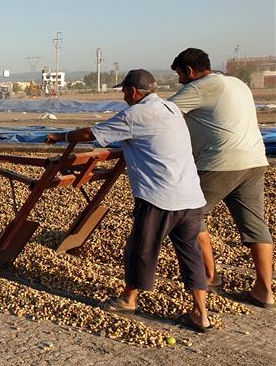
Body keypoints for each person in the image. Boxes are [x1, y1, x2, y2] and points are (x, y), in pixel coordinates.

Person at [46, 69, 212, 331]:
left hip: (160, 197)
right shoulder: (171, 109)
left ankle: (128, 299)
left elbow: (91, 134)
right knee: (190, 254)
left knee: (140, 250)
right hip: (191, 196)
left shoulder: (136, 114)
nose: (124, 96)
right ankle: (200, 314)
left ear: (134, 92)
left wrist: (60, 137)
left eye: (124, 92)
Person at [168, 47, 273, 309]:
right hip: (255, 161)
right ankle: (264, 291)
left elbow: (162, 115)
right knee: (255, 225)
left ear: (190, 71)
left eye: (180, 76)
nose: (180, 82)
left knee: (188, 214)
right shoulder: (237, 83)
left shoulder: (200, 87)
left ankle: (211, 277)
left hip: (221, 163)